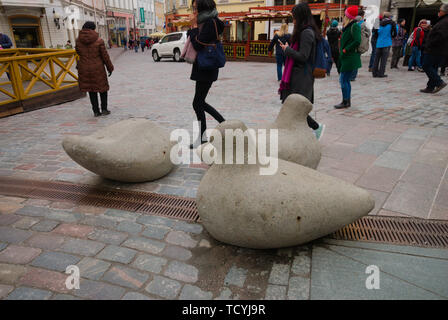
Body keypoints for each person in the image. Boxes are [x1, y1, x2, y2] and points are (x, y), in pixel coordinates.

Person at [278, 2, 325, 139]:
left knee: (296, 107)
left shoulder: (307, 33)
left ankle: (317, 127)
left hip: (302, 76)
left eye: (295, 17)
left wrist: (287, 50)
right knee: (291, 104)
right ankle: (299, 132)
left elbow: (303, 56)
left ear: (301, 17)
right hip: (297, 75)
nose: (294, 20)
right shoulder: (304, 32)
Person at [187, 0, 226, 149]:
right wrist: (195, 26)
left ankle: (222, 124)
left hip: (206, 66)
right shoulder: (207, 20)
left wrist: (194, 26)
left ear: (203, 7)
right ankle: (216, 128)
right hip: (203, 66)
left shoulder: (210, 22)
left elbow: (197, 44)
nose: (194, 10)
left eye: (196, 7)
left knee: (198, 102)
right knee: (199, 102)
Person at [75, 21, 114, 117]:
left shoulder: (78, 40)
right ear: (93, 29)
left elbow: (78, 53)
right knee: (103, 88)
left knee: (91, 89)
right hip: (98, 68)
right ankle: (104, 109)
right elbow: (105, 56)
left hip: (84, 68)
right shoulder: (99, 40)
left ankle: (96, 111)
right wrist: (110, 68)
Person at [334, 5, 361, 109]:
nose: (343, 17)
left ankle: (345, 101)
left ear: (348, 16)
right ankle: (346, 101)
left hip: (350, 57)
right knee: (345, 80)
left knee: (343, 80)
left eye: (345, 15)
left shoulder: (355, 26)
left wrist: (346, 49)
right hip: (346, 57)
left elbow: (357, 40)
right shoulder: (348, 26)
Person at [420, 4, 448, 93]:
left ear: (443, 12)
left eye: (439, 11)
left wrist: (430, 43)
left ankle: (439, 82)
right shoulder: (443, 21)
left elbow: (441, 36)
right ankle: (430, 87)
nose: (438, 12)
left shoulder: (445, 22)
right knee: (433, 67)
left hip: (435, 49)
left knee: (426, 65)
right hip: (439, 49)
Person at [372, 12, 395, 78]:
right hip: (387, 42)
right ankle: (381, 73)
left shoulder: (378, 22)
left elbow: (374, 32)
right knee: (383, 60)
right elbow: (394, 33)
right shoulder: (392, 23)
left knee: (376, 59)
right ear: (390, 17)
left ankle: (374, 73)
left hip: (379, 42)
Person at [351, 8, 370, 81]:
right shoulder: (363, 23)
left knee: (352, 59)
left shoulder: (352, 22)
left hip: (352, 43)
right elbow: (369, 33)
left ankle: (350, 75)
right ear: (362, 15)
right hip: (359, 44)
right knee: (356, 60)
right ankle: (353, 76)